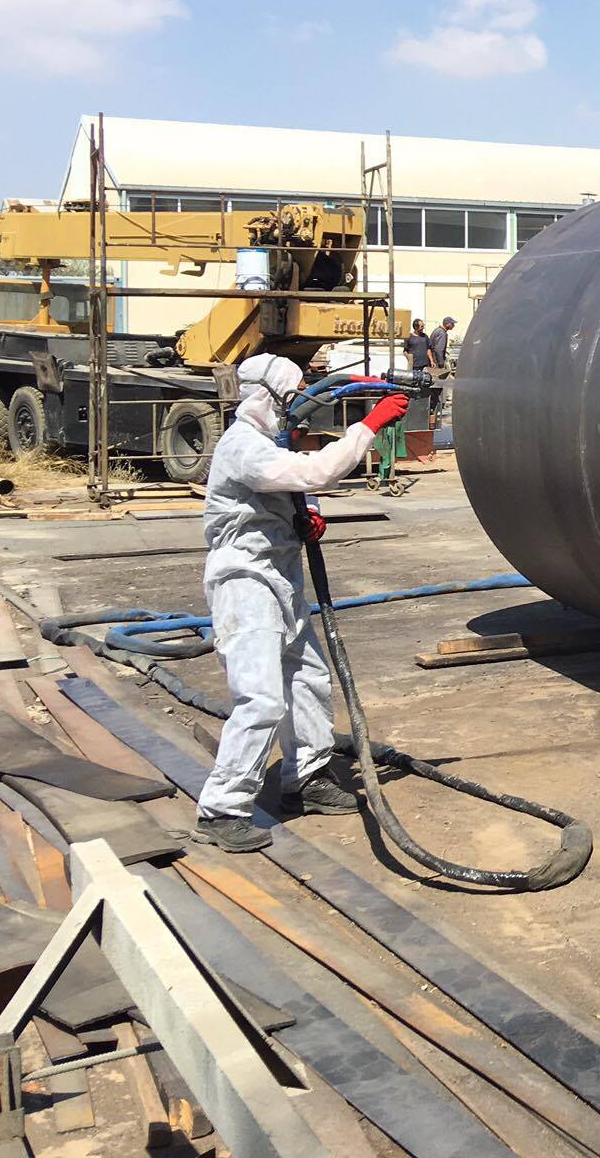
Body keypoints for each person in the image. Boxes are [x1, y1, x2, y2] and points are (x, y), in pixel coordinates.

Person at [191, 353, 409, 853]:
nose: (296, 411)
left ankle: (305, 778)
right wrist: (368, 426)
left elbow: (297, 488)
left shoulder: (268, 442)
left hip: (280, 577)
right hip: (245, 582)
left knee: (307, 678)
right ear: (268, 398)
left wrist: (306, 516)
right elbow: (313, 473)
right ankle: (221, 808)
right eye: (290, 400)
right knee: (262, 698)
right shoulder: (243, 446)